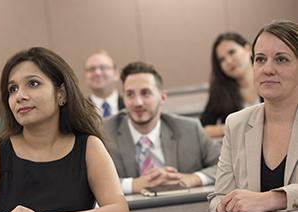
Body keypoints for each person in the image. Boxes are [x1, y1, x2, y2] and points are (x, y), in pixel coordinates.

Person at [0, 47, 130, 212]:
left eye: (33, 83)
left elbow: (120, 211)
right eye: (13, 89)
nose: (20, 95)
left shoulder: (89, 146)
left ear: (61, 94)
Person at [208, 20, 298, 212]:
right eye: (260, 59)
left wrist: (274, 199)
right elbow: (218, 198)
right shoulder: (236, 124)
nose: (267, 69)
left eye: (281, 59)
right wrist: (225, 205)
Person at [104, 61, 221, 195]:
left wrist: (192, 178)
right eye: (130, 94)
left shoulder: (189, 129)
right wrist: (131, 185)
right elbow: (87, 181)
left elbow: (225, 165)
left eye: (145, 93)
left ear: (163, 97)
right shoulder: (104, 133)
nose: (138, 102)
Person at [201, 32, 260, 138]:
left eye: (232, 52)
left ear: (248, 49)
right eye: (222, 60)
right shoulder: (221, 92)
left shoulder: (269, 79)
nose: (228, 61)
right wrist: (229, 127)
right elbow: (202, 129)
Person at [84, 50, 124, 118]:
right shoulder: (78, 110)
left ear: (116, 74)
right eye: (91, 69)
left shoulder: (130, 106)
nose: (97, 73)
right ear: (85, 76)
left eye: (103, 68)